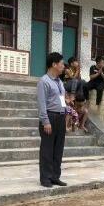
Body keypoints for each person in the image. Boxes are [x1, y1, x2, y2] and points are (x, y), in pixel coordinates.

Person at [37, 52, 67, 188]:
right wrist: (46, 121)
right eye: (62, 63)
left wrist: (66, 111)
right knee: (47, 150)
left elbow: (61, 100)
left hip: (60, 117)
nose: (63, 66)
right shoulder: (44, 81)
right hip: (50, 117)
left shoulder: (59, 82)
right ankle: (46, 178)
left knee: (58, 149)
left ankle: (55, 176)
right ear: (54, 64)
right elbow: (42, 103)